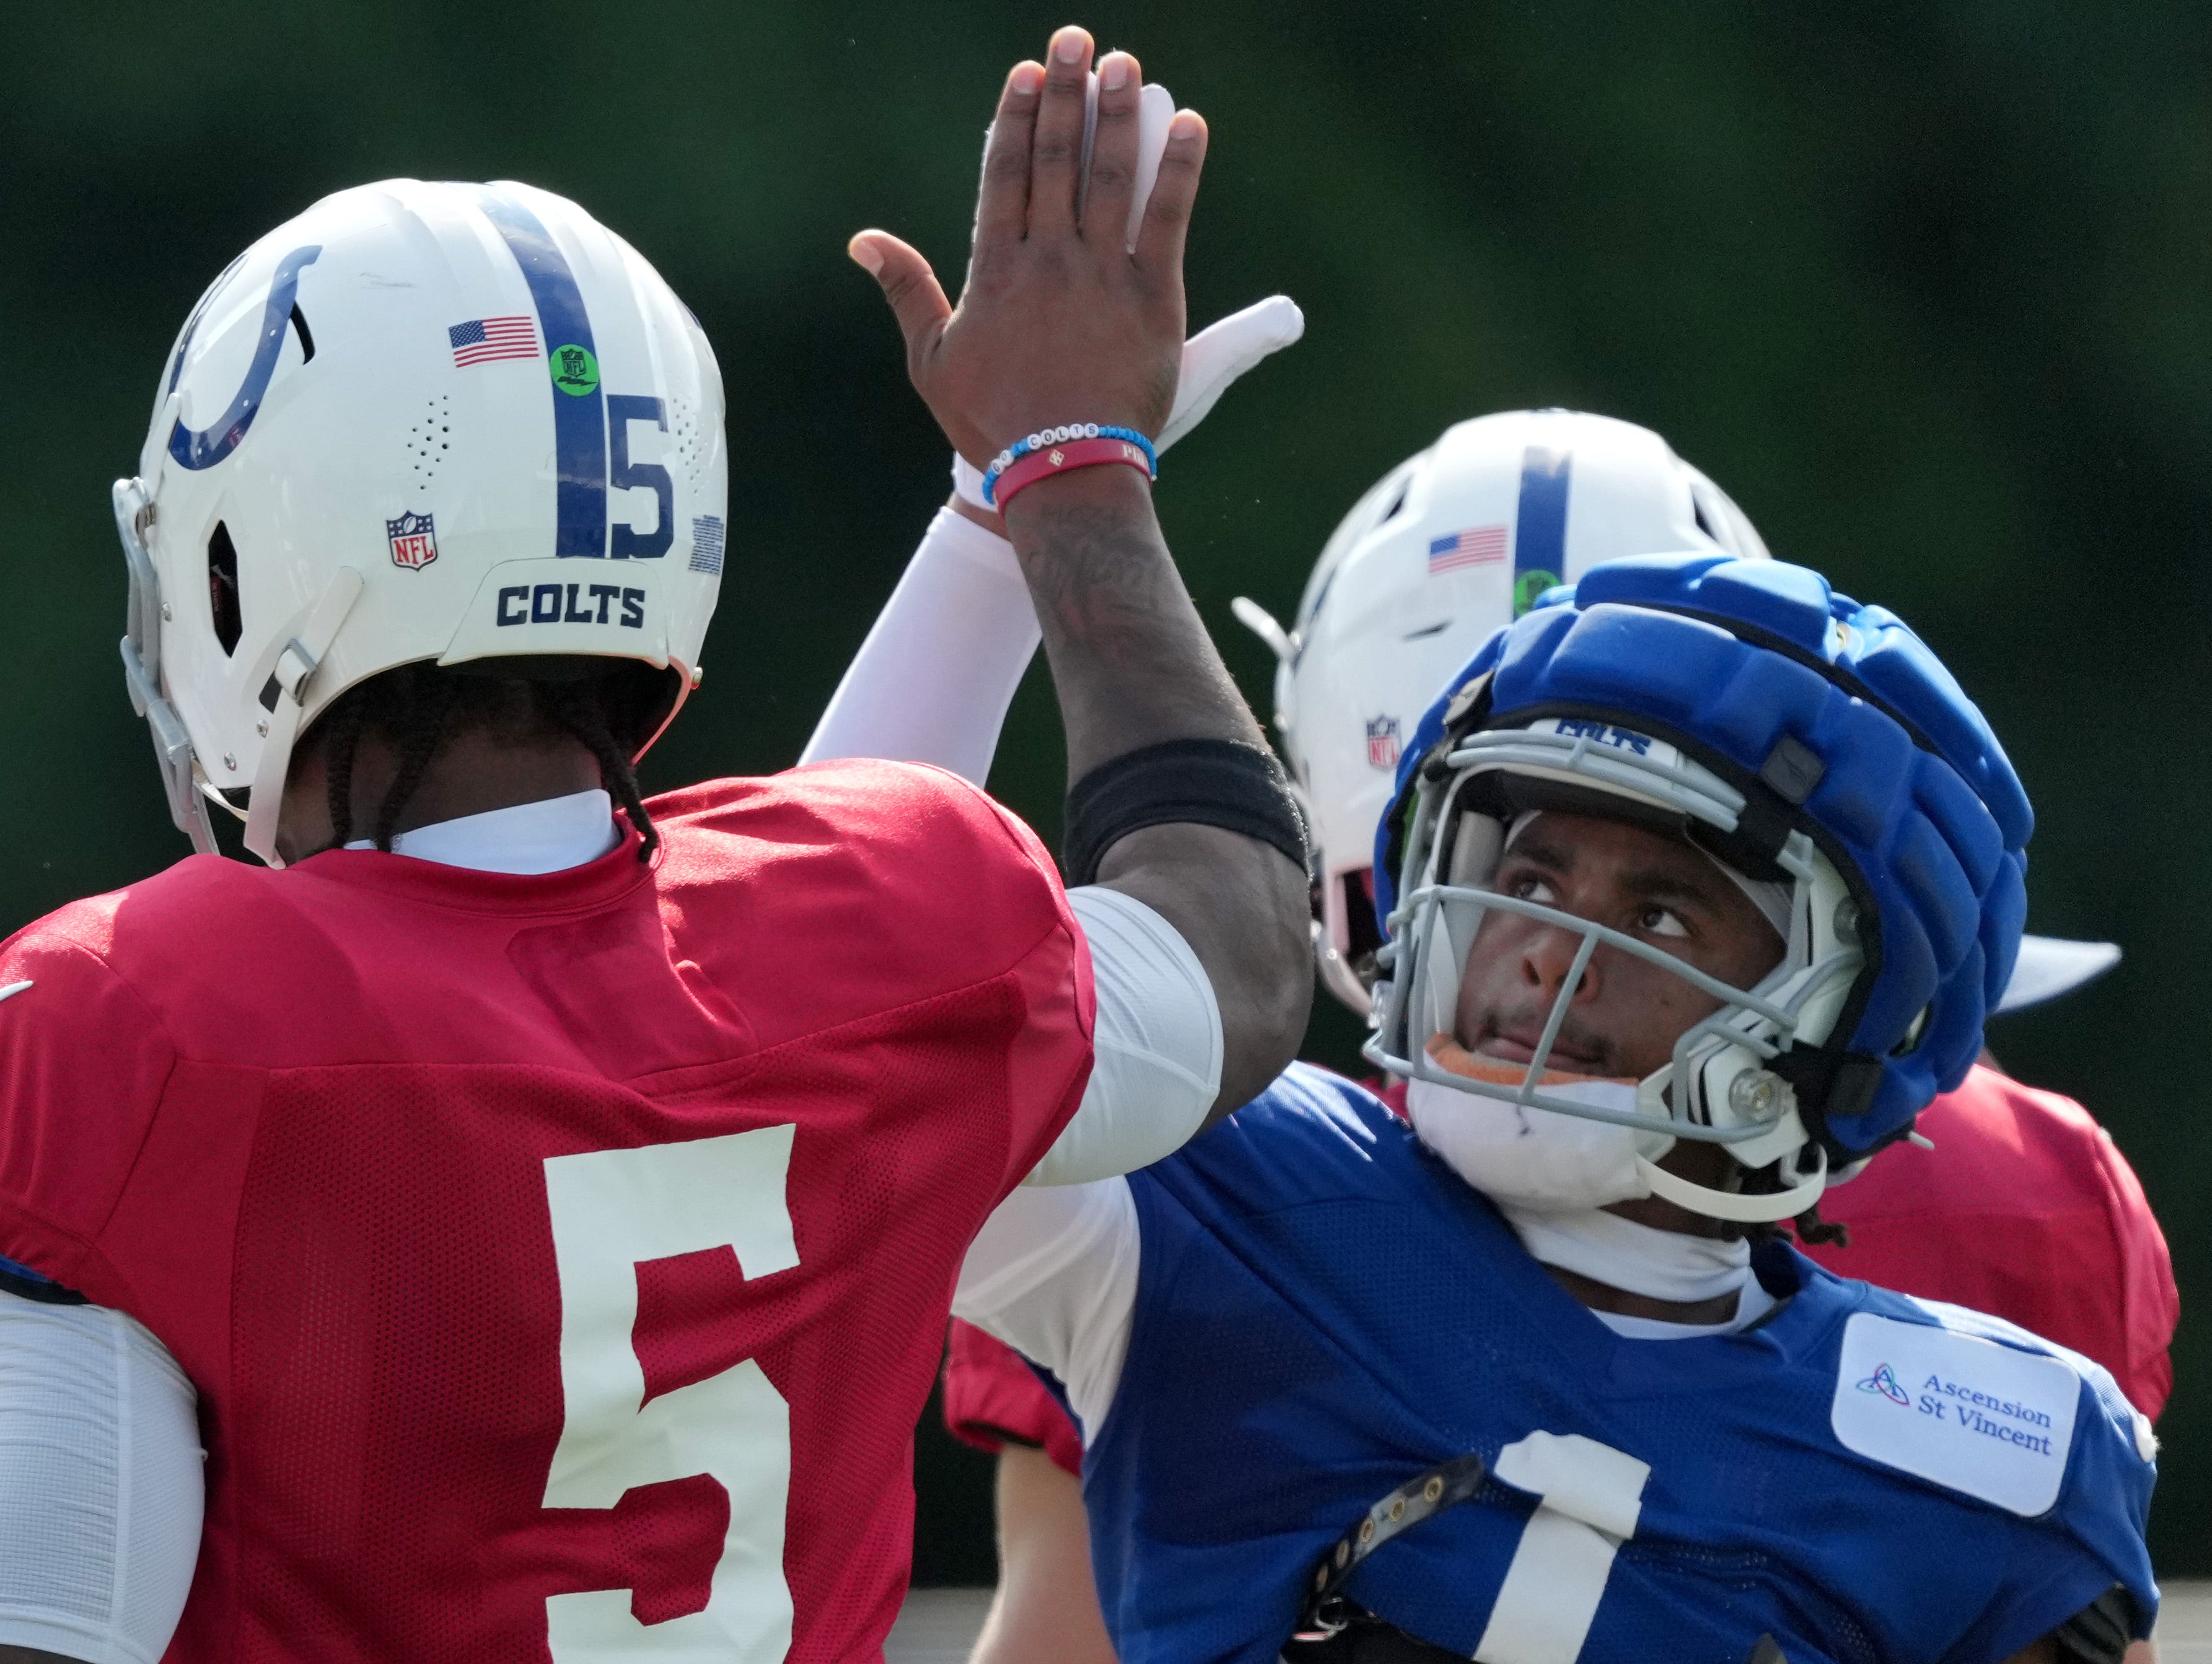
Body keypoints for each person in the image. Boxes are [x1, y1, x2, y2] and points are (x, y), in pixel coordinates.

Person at [0, 28, 1316, 1664]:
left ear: (244, 559)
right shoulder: (894, 909)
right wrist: (1069, 478)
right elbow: (1236, 953)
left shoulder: (120, 1021)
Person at [816, 410, 2171, 1662]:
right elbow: (819, 1025)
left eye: (1663, 910)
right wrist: (998, 518)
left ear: (1842, 1016)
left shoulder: (1996, 1462)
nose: (1545, 947)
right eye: (1527, 878)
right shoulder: (1216, 1201)